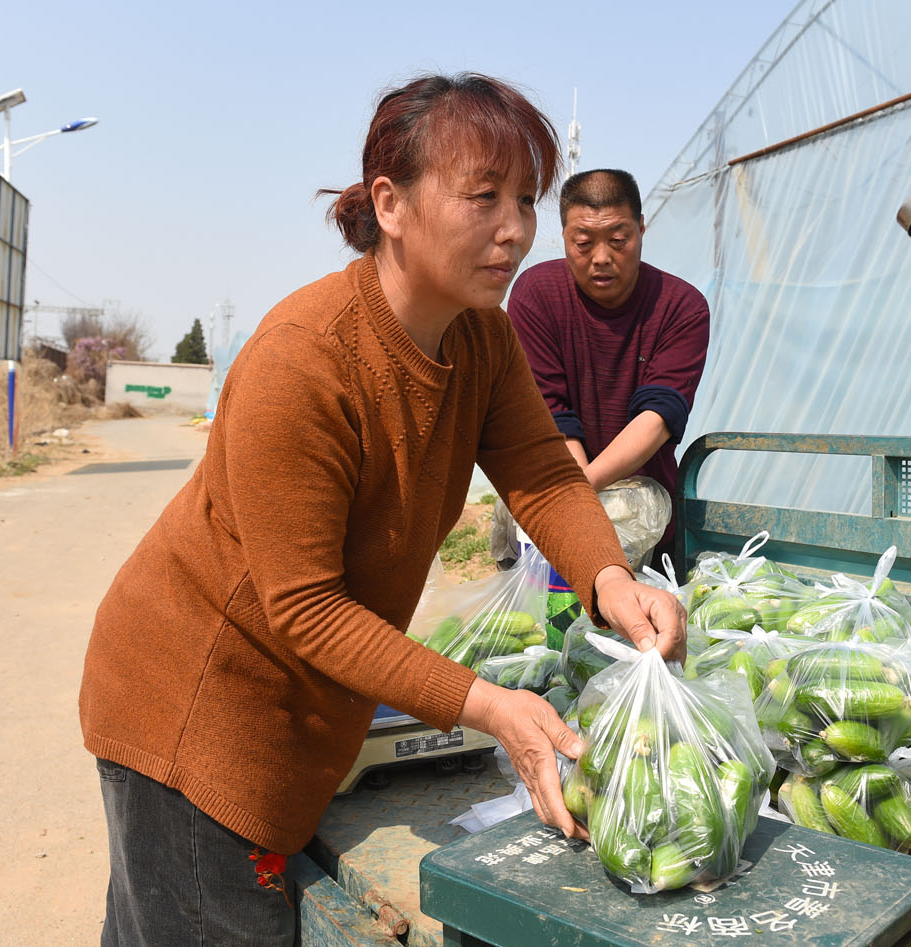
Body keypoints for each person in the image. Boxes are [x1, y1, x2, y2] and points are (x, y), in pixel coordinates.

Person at [78, 74, 686, 946]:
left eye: (525, 198)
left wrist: (611, 580)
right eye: (484, 197)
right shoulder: (307, 359)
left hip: (293, 715)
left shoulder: (481, 336)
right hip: (194, 712)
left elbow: (546, 477)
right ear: (391, 203)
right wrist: (487, 703)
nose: (515, 229)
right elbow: (305, 607)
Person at [505, 169, 710, 567]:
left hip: (644, 522)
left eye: (618, 240)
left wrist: (579, 494)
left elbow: (658, 415)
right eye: (583, 243)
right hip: (553, 503)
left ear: (641, 230)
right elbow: (550, 413)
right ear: (564, 237)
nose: (601, 258)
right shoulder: (536, 295)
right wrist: (574, 512)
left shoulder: (681, 307)